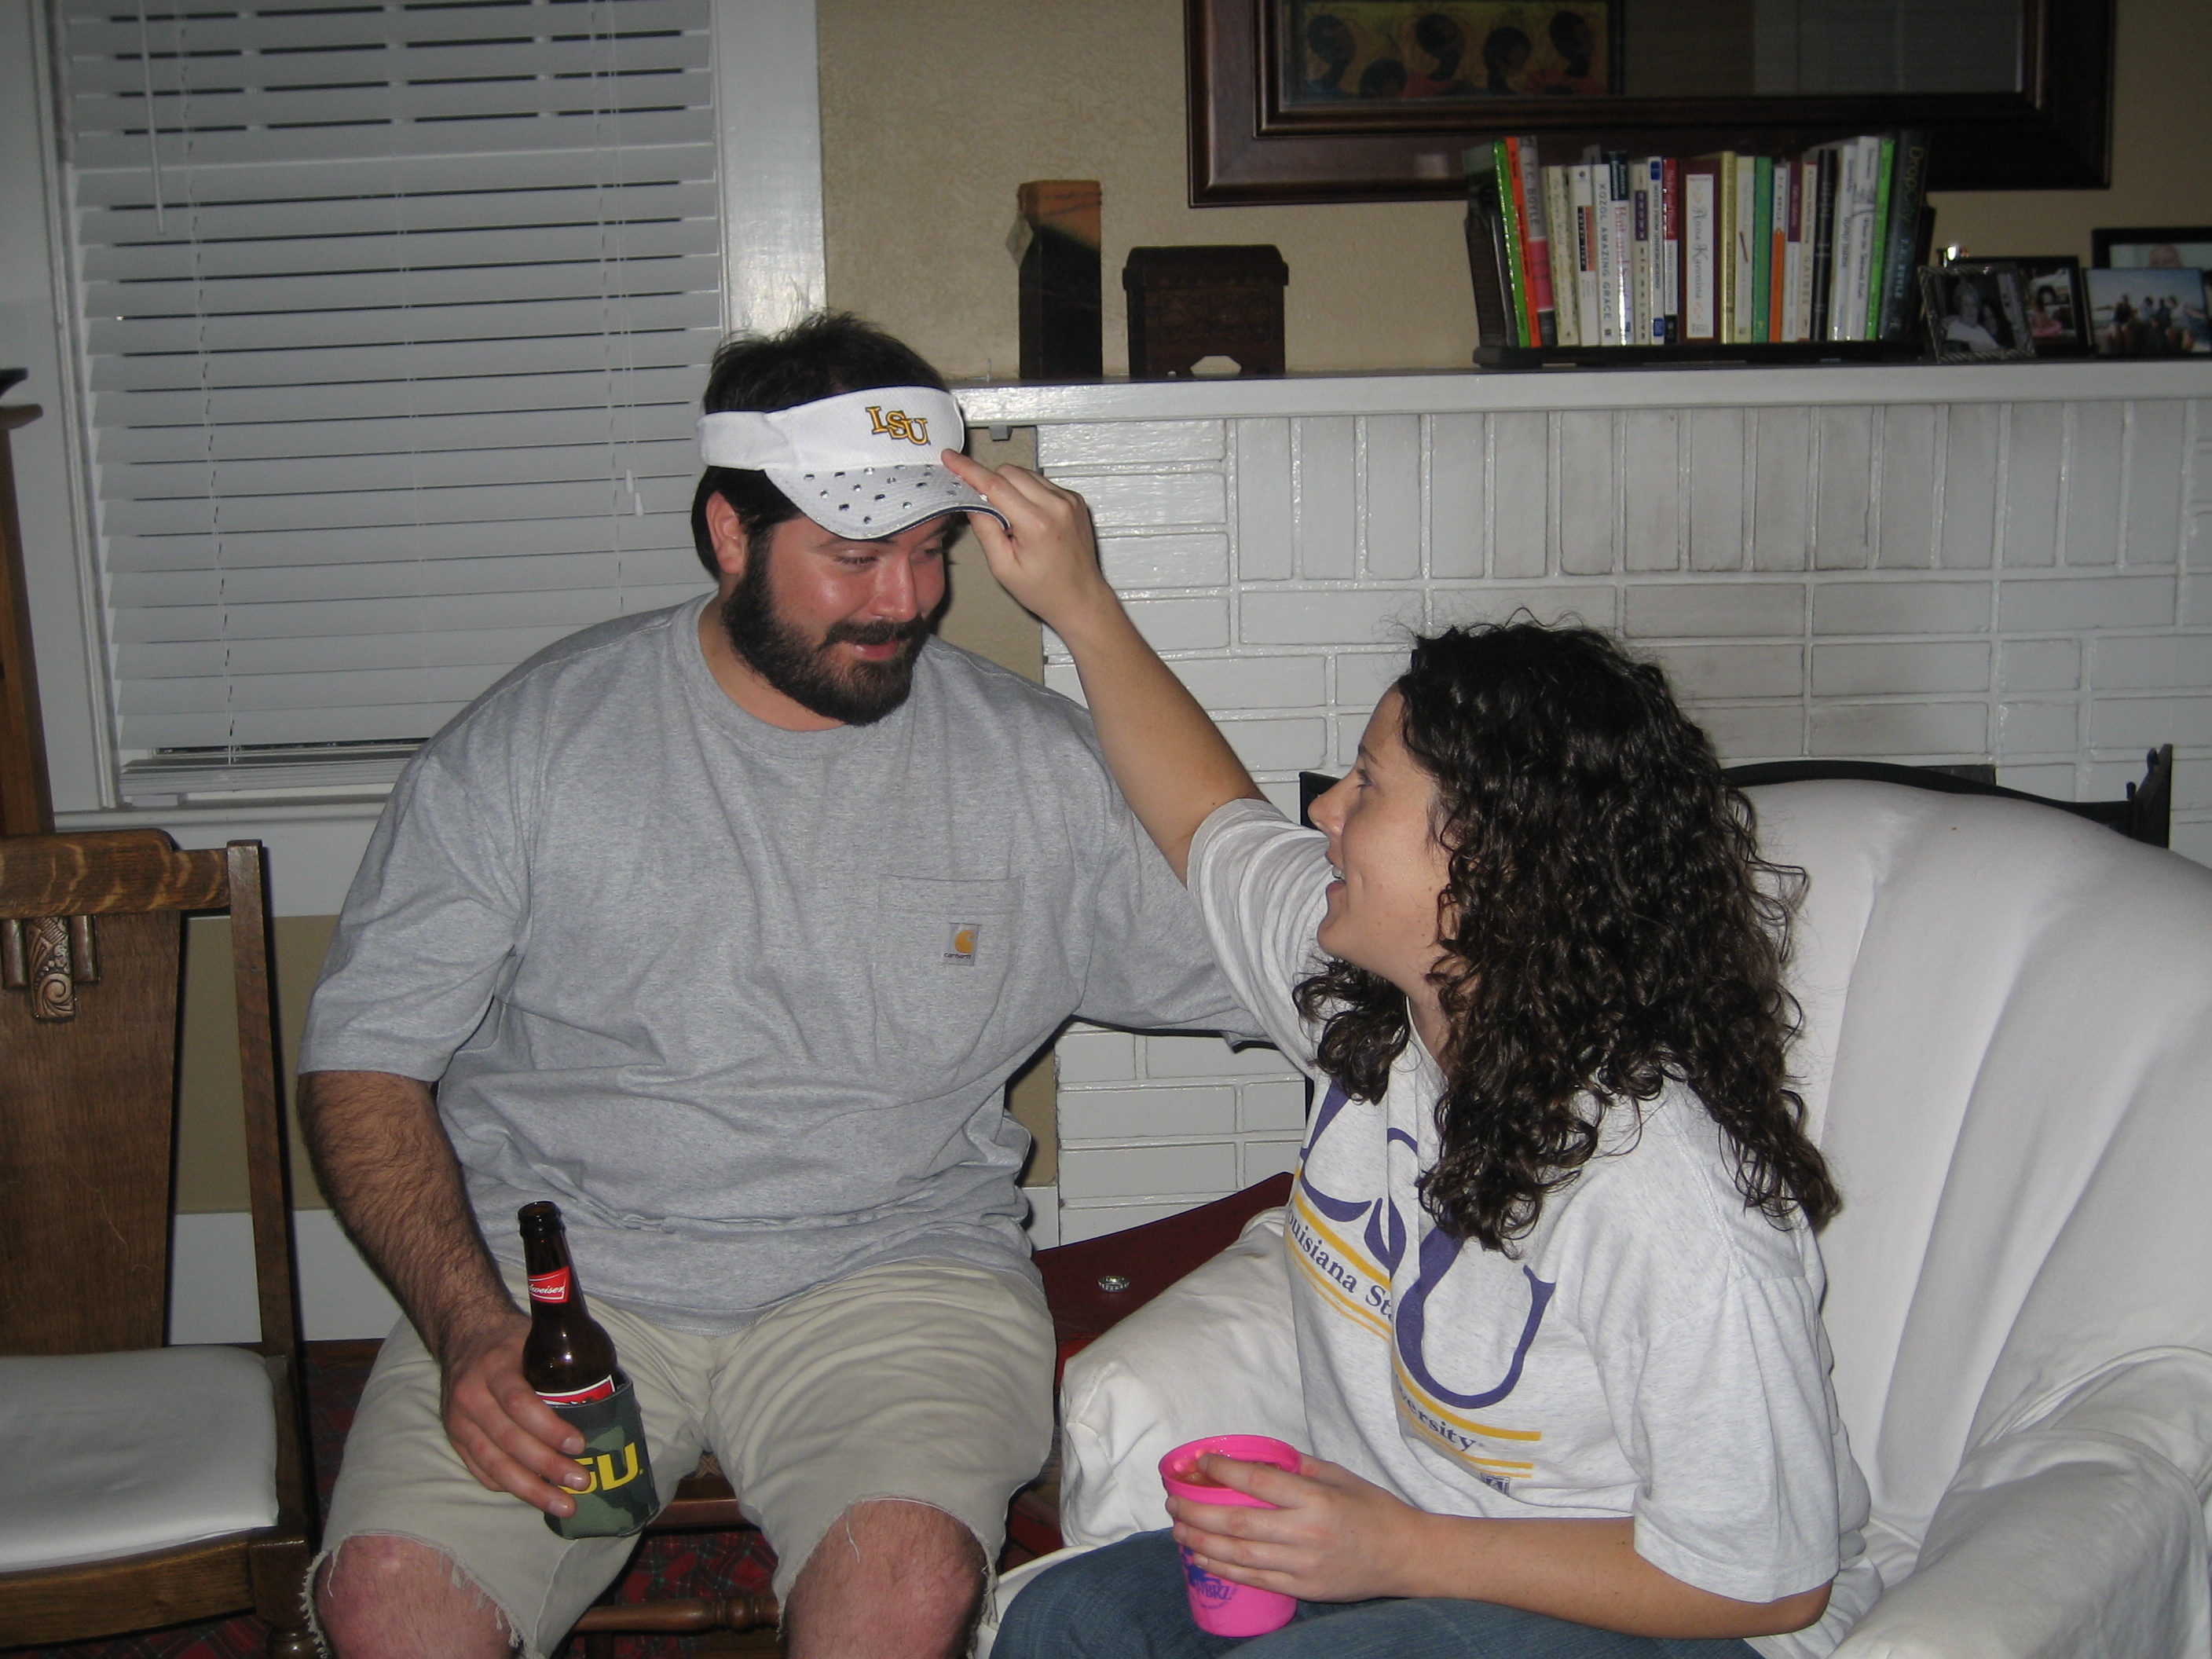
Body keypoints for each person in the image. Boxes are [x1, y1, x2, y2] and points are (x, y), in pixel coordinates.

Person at [297, 312, 1260, 1659]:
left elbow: (1278, 959)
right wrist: (467, 1327)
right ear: (728, 534)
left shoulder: (1038, 765)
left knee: (904, 1588)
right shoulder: (529, 748)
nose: (906, 601)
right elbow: (364, 1061)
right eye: (854, 557)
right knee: (393, 1605)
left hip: (894, 1273)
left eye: (931, 550)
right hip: (564, 1288)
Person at [941, 452, 1879, 1658]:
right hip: (1417, 1567)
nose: (1325, 811)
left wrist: (1397, 1552)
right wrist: (1079, 604)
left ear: (1489, 858)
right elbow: (1208, 822)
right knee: (1065, 1618)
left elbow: (1768, 1585)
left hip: (1669, 1618)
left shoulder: (1664, 1192)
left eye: (1369, 787)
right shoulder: (1379, 1011)